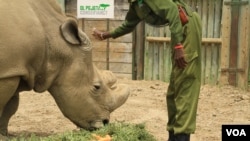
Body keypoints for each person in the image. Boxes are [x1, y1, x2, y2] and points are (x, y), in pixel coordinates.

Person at [92, 0, 202, 141]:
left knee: (185, 82)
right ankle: (174, 135)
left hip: (187, 26)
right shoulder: (135, 5)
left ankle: (182, 136)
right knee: (174, 90)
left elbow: (173, 12)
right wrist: (105, 35)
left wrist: (179, 46)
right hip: (178, 29)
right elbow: (128, 25)